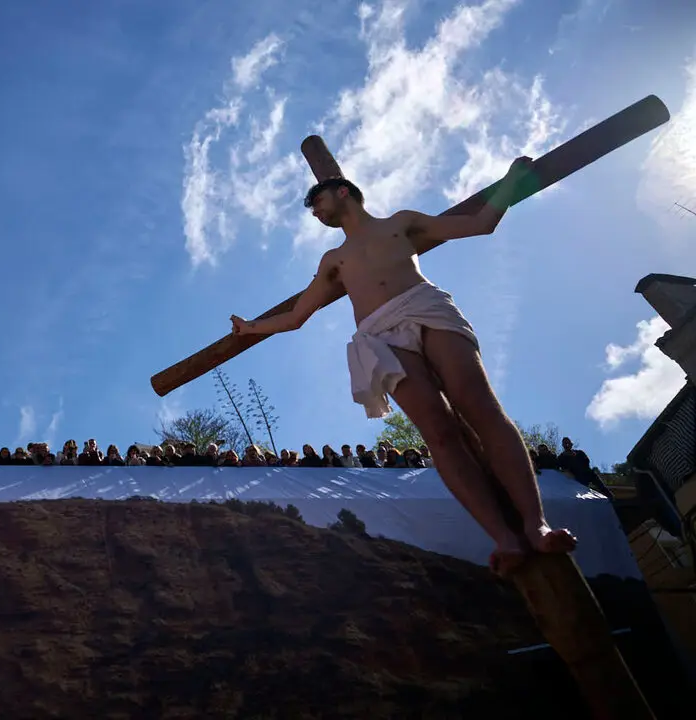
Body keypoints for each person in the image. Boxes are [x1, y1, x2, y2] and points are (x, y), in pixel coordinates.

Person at [229, 157, 576, 576]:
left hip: (427, 309)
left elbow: (480, 222)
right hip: (381, 334)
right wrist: (250, 328)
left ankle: (535, 524)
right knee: (438, 432)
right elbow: (298, 315)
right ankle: (503, 537)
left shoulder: (402, 222)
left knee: (479, 406)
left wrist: (509, 183)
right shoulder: (333, 260)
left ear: (343, 191)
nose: (315, 212)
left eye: (317, 201)